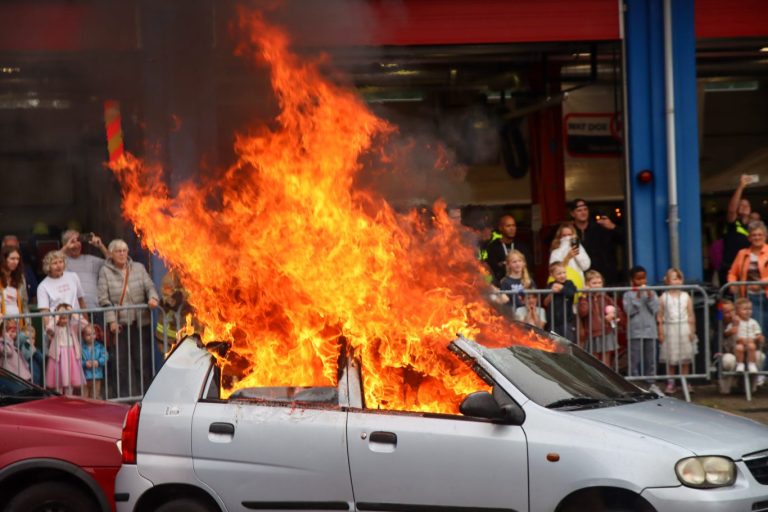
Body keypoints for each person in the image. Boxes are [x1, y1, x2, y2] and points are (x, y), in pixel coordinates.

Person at [98, 239, 159, 397]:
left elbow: (150, 286)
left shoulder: (138, 267)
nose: (122, 254)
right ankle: (123, 397)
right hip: (120, 325)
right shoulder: (105, 271)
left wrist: (153, 298)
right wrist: (112, 321)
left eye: (124, 250)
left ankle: (147, 395)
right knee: (120, 363)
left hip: (140, 322)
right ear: (111, 254)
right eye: (118, 251)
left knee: (143, 361)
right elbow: (104, 300)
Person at [623, 266, 663, 396]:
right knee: (635, 358)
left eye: (643, 278)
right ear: (632, 279)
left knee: (650, 358)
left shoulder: (651, 292)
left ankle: (651, 383)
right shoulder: (628, 294)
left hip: (650, 331)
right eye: (638, 278)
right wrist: (638, 298)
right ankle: (634, 383)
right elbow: (629, 311)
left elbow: (656, 309)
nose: (642, 281)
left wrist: (650, 297)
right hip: (635, 332)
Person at [658, 268, 697, 395]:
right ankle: (671, 382)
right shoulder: (663, 297)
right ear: (668, 281)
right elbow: (660, 316)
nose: (677, 281)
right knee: (671, 358)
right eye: (674, 278)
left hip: (684, 327)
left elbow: (691, 314)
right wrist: (661, 332)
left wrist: (692, 330)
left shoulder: (686, 296)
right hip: (670, 328)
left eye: (679, 278)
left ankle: (685, 381)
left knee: (685, 358)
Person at [727, 220, 768, 336]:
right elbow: (732, 273)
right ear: (749, 238)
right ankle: (761, 354)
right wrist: (732, 283)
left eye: (760, 235)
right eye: (754, 235)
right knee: (758, 329)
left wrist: (761, 283)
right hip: (751, 298)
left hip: (766, 294)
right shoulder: (742, 253)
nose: (757, 237)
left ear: (765, 236)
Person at [569, 198, 623, 285]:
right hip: (580, 275)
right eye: (579, 210)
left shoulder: (601, 227)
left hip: (603, 276)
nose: (583, 212)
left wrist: (613, 227)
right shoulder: (569, 231)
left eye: (585, 209)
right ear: (572, 213)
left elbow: (625, 241)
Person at [61, 229, 110, 322]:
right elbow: (50, 261)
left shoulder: (91, 259)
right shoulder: (61, 262)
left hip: (95, 310)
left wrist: (101, 246)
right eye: (72, 242)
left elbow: (113, 263)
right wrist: (66, 247)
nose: (75, 245)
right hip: (73, 312)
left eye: (78, 241)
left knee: (99, 336)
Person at [37, 250, 86, 340]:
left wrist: (86, 322)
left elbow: (81, 300)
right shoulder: (43, 286)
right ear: (48, 267)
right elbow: (45, 312)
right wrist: (50, 331)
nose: (59, 265)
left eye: (61, 262)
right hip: (59, 328)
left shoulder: (73, 276)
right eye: (54, 263)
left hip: (77, 324)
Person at [720, 174, 756, 286]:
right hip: (730, 268)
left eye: (747, 205)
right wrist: (741, 186)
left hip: (749, 269)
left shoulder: (754, 227)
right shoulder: (733, 222)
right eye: (741, 205)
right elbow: (731, 210)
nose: (744, 207)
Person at [45, 303, 87, 395]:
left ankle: (69, 397)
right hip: (58, 356)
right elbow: (48, 327)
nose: (64, 320)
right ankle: (58, 398)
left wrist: (73, 312)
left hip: (70, 354)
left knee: (69, 379)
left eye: (66, 318)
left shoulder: (72, 327)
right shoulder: (54, 328)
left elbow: (84, 323)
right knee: (59, 380)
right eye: (62, 318)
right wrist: (57, 316)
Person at [578, 270, 617, 366]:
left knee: (606, 361)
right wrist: (584, 296)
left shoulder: (606, 297)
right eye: (594, 283)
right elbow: (583, 312)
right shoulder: (585, 298)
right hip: (592, 333)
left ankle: (605, 380)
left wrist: (612, 315)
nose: (597, 285)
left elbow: (617, 311)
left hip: (606, 332)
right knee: (594, 362)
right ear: (587, 284)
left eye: (599, 283)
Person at [484, 215, 532, 286]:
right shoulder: (493, 248)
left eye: (513, 225)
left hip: (521, 285)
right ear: (500, 228)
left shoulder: (521, 246)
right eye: (508, 226)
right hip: (499, 287)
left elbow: (528, 266)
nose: (512, 228)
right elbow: (489, 269)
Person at [549, 221, 591, 292]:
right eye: (564, 235)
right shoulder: (556, 251)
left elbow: (586, 266)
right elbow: (553, 270)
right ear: (560, 236)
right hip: (562, 286)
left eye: (569, 235)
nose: (567, 237)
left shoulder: (579, 248)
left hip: (579, 283)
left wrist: (576, 251)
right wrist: (567, 258)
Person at [543, 261, 577, 342]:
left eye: (564, 272)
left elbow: (571, 292)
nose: (562, 275)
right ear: (552, 275)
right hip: (553, 322)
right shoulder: (550, 285)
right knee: (554, 344)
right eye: (559, 273)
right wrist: (552, 293)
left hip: (566, 321)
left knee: (568, 343)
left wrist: (561, 288)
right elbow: (545, 303)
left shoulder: (569, 283)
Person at [729, 298, 764, 374]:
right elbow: (728, 333)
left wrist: (756, 338)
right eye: (745, 309)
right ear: (737, 311)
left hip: (750, 343)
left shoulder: (753, 322)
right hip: (738, 344)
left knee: (751, 346)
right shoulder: (735, 322)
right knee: (739, 347)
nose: (748, 311)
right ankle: (740, 364)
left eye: (750, 309)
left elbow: (758, 334)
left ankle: (751, 364)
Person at [0, 245, 30, 327]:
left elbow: (24, 303)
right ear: (4, 259)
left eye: (18, 259)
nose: (16, 262)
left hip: (18, 325)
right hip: (2, 326)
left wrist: (28, 325)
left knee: (24, 337)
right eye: (12, 259)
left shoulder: (20, 278)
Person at [2, 235, 37, 303]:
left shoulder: (25, 272)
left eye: (17, 259)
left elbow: (33, 295)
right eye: (9, 248)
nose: (12, 250)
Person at [81, 324, 107, 399]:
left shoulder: (100, 346)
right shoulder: (80, 347)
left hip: (96, 375)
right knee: (84, 396)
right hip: (84, 376)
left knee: (95, 395)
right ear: (83, 336)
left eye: (93, 334)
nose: (92, 336)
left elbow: (105, 356)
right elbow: (77, 360)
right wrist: (84, 364)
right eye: (88, 335)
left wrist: (98, 362)